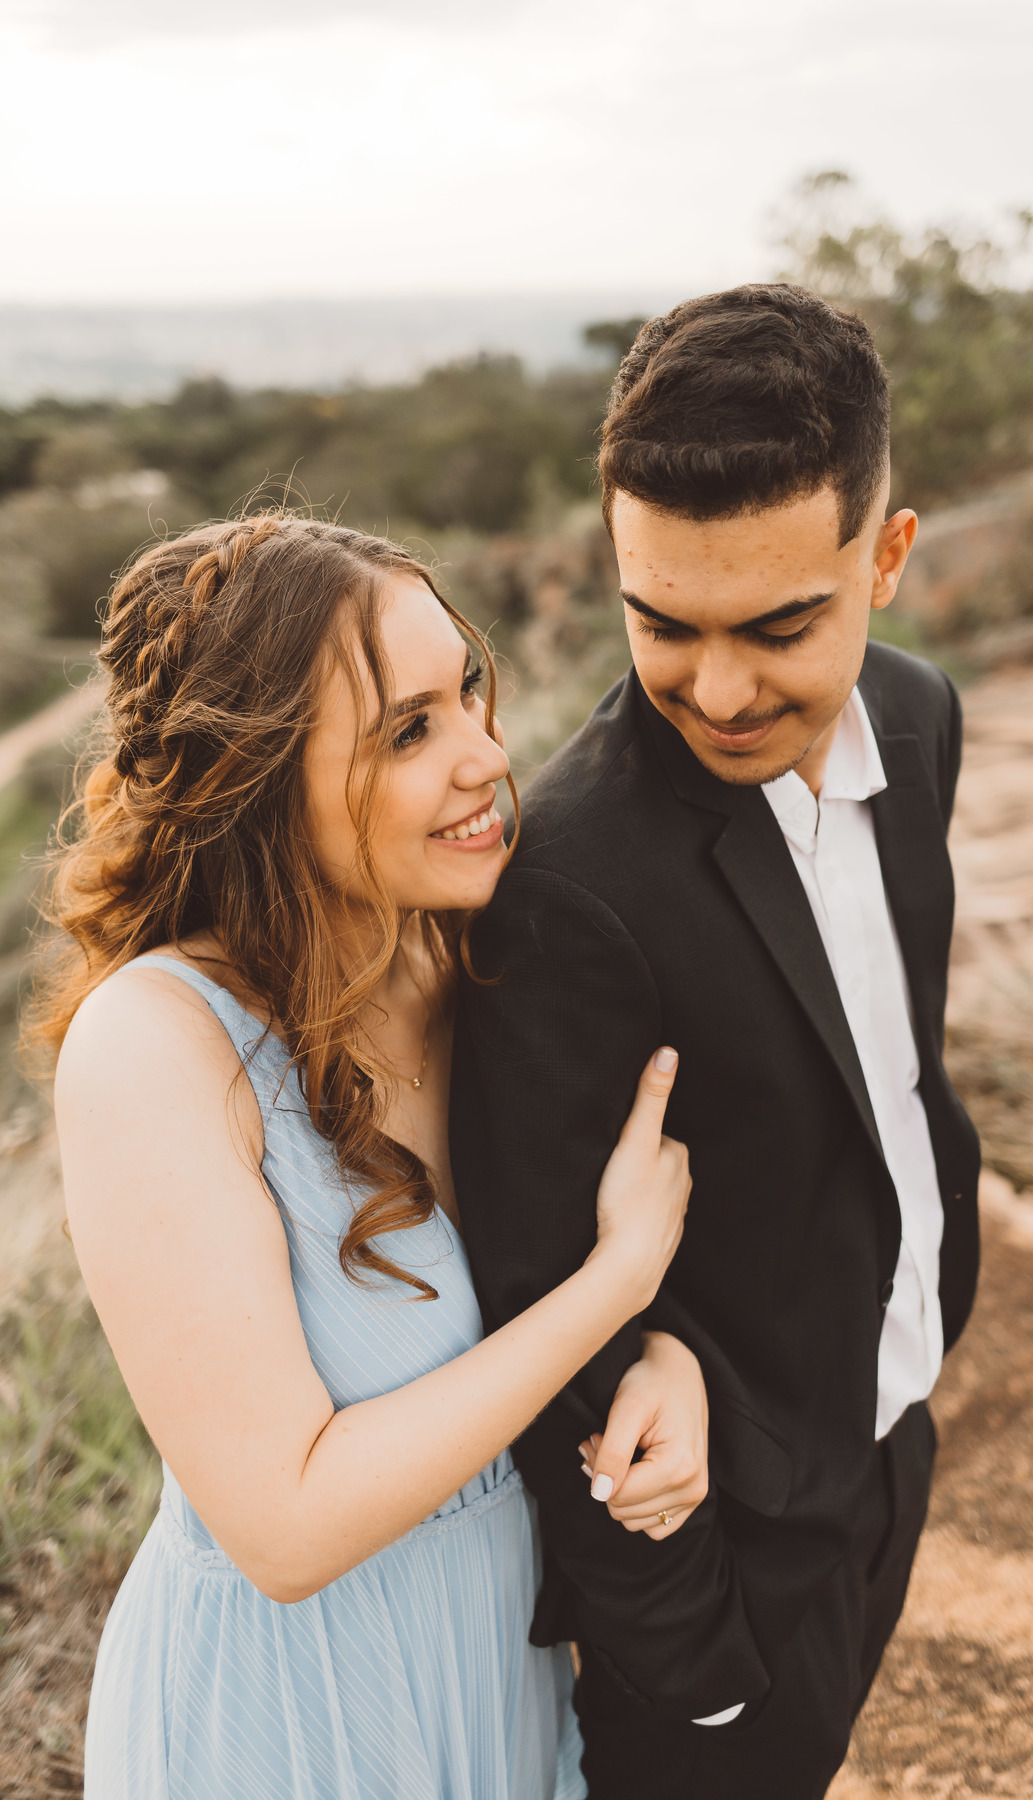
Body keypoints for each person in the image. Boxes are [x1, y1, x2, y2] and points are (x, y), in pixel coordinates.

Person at [38, 514, 712, 1800]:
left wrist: (663, 1356)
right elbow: (285, 1525)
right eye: (409, 733)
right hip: (287, 1723)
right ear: (259, 781)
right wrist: (610, 1293)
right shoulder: (159, 1047)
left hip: (499, 1679)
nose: (487, 757)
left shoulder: (483, 964)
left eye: (467, 693)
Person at [450, 283, 982, 1797]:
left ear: (886, 554)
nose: (721, 690)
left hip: (888, 1429)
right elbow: (540, 1311)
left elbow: (889, 1066)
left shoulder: (924, 719)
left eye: (782, 625)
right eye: (661, 624)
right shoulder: (566, 885)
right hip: (722, 1571)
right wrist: (692, 1688)